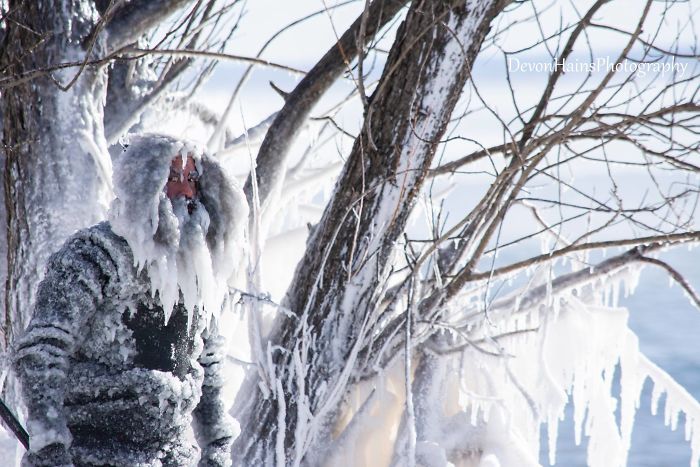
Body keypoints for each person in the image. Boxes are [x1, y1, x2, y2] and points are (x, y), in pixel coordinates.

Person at [13, 134, 247, 466]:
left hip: (171, 455)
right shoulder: (94, 255)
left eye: (190, 179)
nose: (184, 191)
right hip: (89, 452)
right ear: (142, 182)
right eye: (171, 178)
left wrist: (217, 442)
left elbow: (206, 358)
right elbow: (43, 348)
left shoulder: (195, 269)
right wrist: (49, 444)